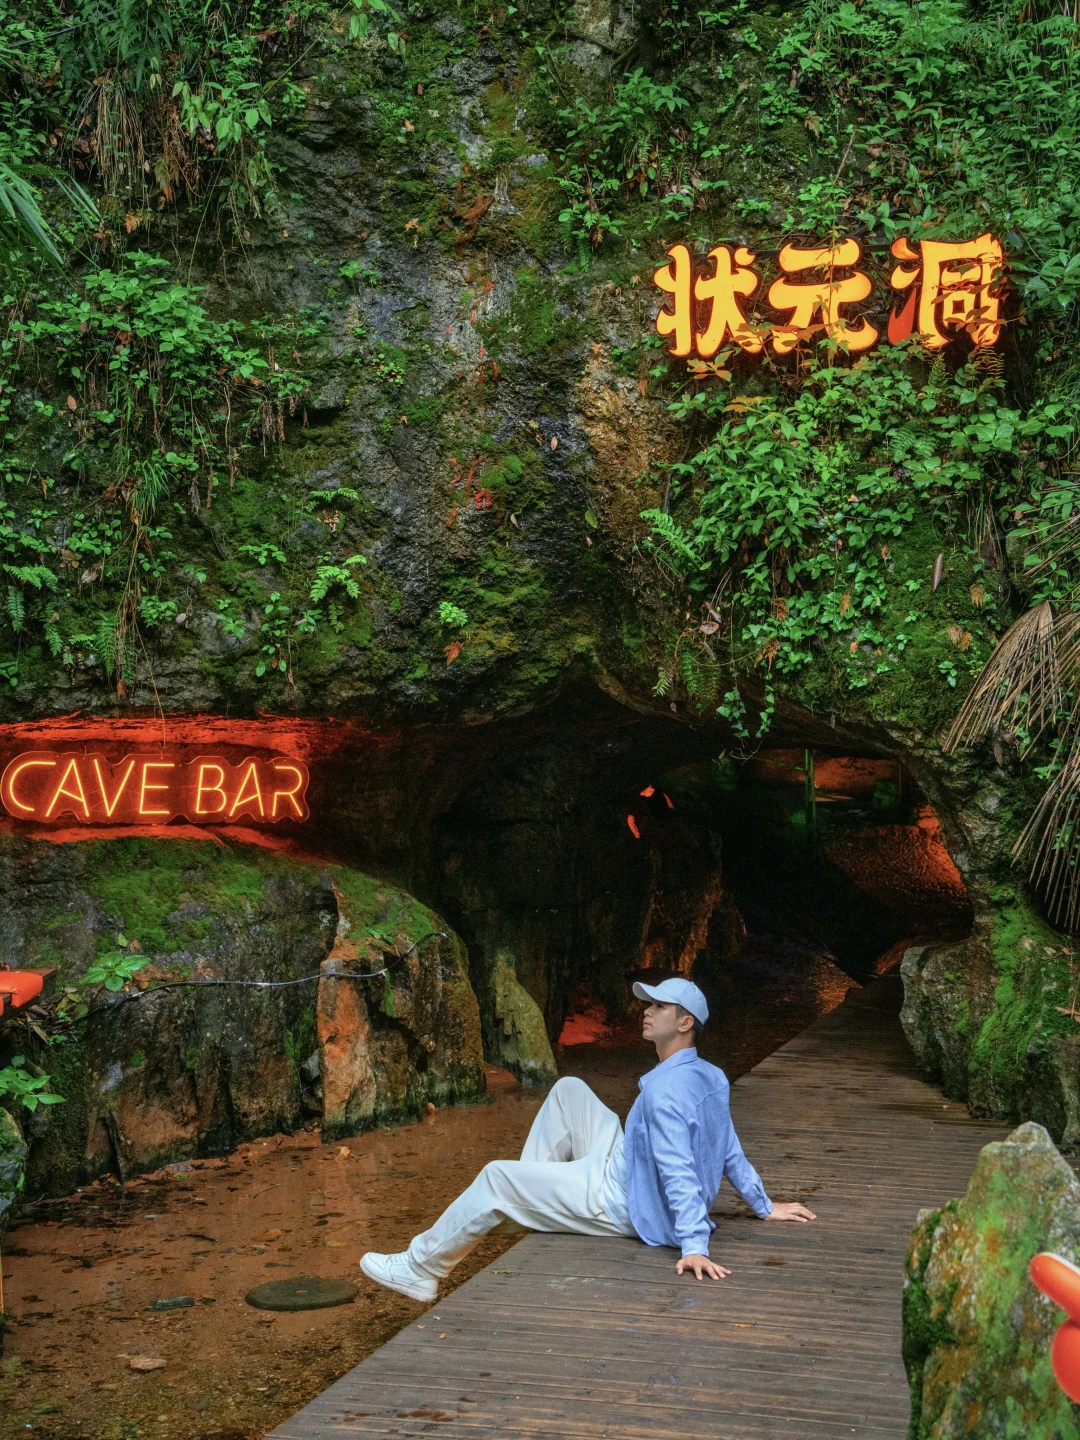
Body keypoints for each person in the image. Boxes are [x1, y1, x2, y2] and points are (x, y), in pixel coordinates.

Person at [360, 976, 816, 1302]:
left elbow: (678, 1168)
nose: (646, 1011)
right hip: (623, 1163)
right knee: (569, 1089)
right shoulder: (711, 1075)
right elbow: (727, 1145)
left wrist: (694, 1244)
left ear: (684, 1023)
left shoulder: (662, 1093)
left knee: (496, 1176)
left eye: (659, 1006)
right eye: (649, 1004)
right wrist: (762, 1204)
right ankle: (532, 1203)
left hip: (619, 1198)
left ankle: (421, 1268)